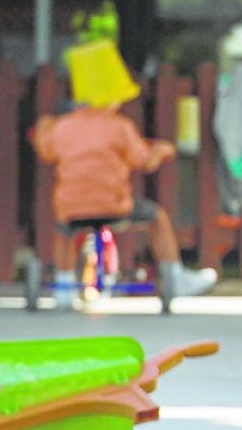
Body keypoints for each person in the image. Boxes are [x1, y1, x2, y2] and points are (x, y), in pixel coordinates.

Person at [32, 40, 217, 309]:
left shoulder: (62, 128)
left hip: (71, 208)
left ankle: (62, 285)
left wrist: (43, 127)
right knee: (157, 217)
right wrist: (161, 150)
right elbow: (142, 160)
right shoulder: (119, 127)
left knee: (64, 231)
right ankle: (175, 276)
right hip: (114, 206)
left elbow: (47, 152)